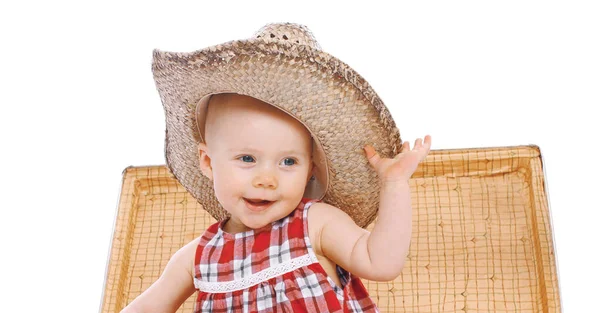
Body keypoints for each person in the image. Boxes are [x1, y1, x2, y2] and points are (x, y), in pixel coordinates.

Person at [121, 22, 431, 313]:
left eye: (288, 162)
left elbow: (383, 262)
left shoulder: (314, 225)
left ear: (310, 170)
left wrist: (394, 183)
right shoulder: (197, 258)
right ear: (208, 162)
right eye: (247, 159)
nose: (266, 179)